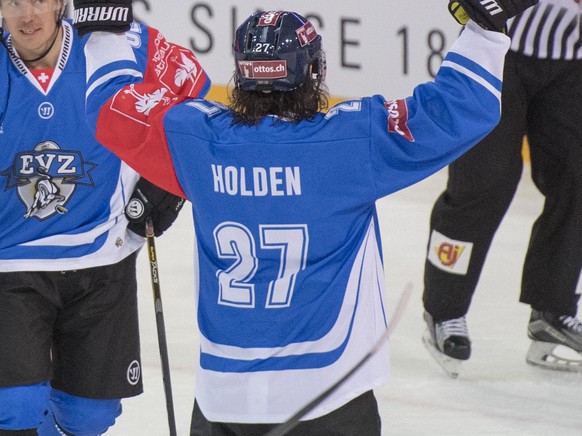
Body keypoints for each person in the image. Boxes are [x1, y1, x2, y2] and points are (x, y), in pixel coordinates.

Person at [73, 0, 536, 434]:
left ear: (241, 74)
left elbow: (111, 104)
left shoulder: (196, 140)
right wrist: (484, 25)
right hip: (328, 398)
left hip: (221, 403)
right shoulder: (352, 142)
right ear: (313, 70)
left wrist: (104, 30)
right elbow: (459, 108)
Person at [0, 1, 209, 435]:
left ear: (60, 2)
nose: (27, 15)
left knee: (91, 416)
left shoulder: (115, 44)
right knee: (14, 407)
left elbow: (196, 88)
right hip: (10, 262)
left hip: (102, 255)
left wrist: (166, 184)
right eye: (13, 2)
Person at [422, 0, 582, 378]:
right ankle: (443, 310)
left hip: (572, 62)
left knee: (576, 180)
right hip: (496, 49)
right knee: (481, 184)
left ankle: (552, 307)